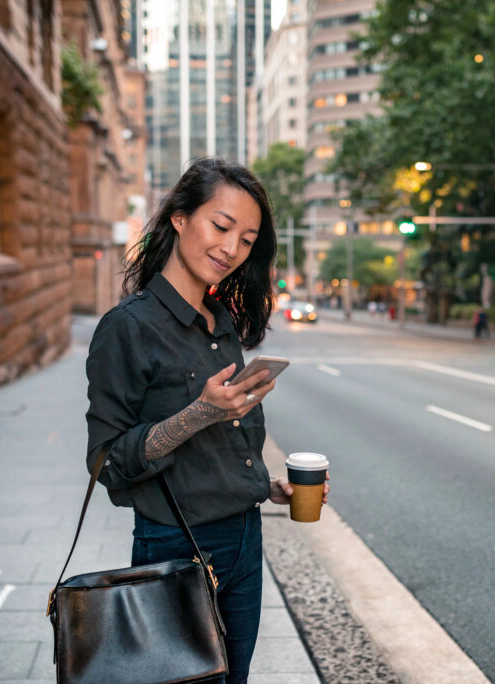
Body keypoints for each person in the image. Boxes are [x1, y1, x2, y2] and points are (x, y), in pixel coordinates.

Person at [85, 157, 329, 684]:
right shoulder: (127, 327)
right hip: (176, 544)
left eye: (247, 240)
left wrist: (268, 487)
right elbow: (107, 462)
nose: (231, 249)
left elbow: (221, 446)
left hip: (244, 538)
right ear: (179, 217)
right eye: (221, 227)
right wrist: (199, 412)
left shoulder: (219, 323)